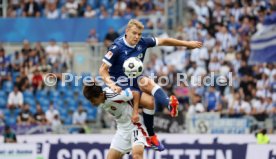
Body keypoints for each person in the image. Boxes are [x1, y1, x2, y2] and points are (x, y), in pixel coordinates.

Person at [99, 19, 202, 150]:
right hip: (120, 84)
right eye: (134, 33)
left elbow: (164, 41)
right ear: (127, 31)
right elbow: (102, 70)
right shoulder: (117, 47)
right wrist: (111, 84)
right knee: (145, 83)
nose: (137, 37)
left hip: (134, 81)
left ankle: (161, 120)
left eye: (139, 34)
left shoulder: (142, 42)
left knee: (150, 101)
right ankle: (155, 125)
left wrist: (187, 44)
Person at [83, 82, 151, 159]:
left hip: (135, 127)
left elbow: (135, 94)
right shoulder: (100, 99)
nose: (92, 103)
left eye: (93, 100)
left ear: (101, 95)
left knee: (137, 156)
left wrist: (135, 112)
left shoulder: (114, 95)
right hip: (122, 130)